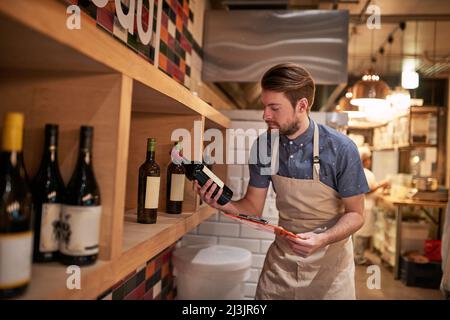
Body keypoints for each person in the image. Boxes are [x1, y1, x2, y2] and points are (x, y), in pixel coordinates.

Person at [194, 63, 369, 300]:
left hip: (331, 270)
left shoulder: (341, 148)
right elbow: (252, 207)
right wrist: (222, 204)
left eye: (274, 108)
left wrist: (322, 239)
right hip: (281, 266)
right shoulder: (264, 146)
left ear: (302, 106)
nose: (265, 115)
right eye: (265, 106)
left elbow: (356, 214)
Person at [353, 145, 389, 265]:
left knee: (362, 233)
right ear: (364, 160)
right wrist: (381, 185)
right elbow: (367, 190)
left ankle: (359, 255)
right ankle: (358, 257)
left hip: (367, 206)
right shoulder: (363, 173)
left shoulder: (364, 172)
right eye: (369, 159)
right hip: (365, 206)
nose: (370, 161)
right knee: (361, 233)